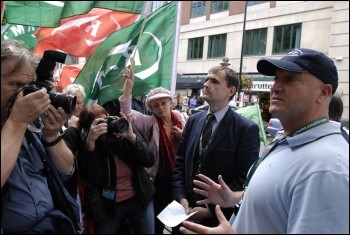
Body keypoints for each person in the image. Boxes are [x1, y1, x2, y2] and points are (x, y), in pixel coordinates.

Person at [179, 48, 349, 234]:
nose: (275, 87)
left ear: (324, 93)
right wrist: (234, 198)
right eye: (276, 78)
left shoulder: (327, 168)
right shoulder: (291, 140)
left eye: (290, 79)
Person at [1, 40, 77, 233]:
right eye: (16, 84)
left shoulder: (32, 124)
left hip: (51, 225)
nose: (25, 94)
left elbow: (67, 169)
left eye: (28, 85)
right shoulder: (20, 119)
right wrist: (17, 122)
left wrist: (52, 134)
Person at [172, 66, 260, 230]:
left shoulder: (245, 129)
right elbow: (180, 162)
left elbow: (243, 181)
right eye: (206, 79)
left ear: (231, 90)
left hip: (216, 222)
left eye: (214, 81)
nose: (206, 84)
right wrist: (181, 197)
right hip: (183, 214)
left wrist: (209, 210)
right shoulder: (193, 120)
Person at [119, 65, 188, 234]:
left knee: (181, 220)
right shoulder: (149, 122)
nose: (160, 108)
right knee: (158, 218)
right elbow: (127, 111)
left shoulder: (184, 118)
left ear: (172, 102)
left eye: (163, 103)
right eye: (155, 105)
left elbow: (194, 144)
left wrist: (183, 136)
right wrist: (129, 85)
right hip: (159, 180)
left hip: (180, 178)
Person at [77, 103, 155, 234]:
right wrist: (90, 144)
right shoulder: (88, 143)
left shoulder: (122, 130)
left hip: (139, 197)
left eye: (106, 119)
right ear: (89, 127)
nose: (106, 126)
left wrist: (131, 137)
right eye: (100, 123)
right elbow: (91, 178)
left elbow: (149, 160)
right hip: (110, 205)